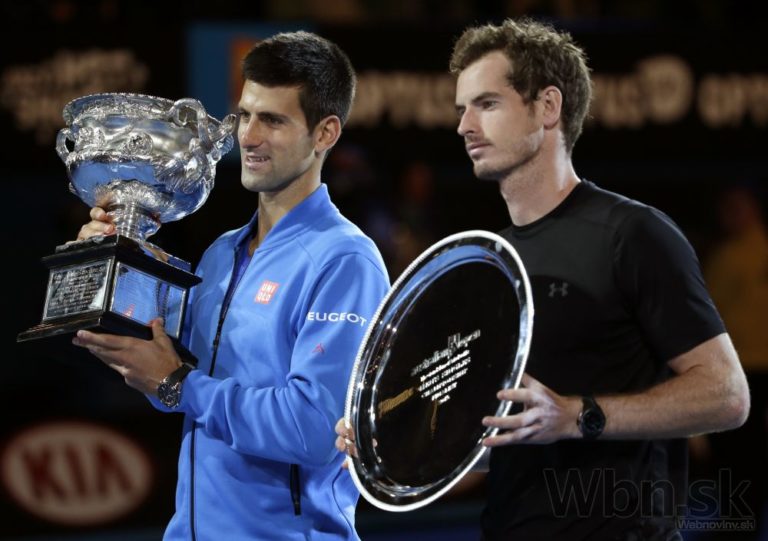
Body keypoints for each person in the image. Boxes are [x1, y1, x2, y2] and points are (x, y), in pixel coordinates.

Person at [337, 18, 749, 540]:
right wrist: (394, 444)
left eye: (487, 104)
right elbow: (490, 444)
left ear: (548, 107)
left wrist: (575, 415)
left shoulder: (632, 233)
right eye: (461, 109)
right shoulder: (486, 266)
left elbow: (727, 395)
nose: (464, 126)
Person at [73, 31, 390, 540]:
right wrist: (116, 263)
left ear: (325, 133)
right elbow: (170, 386)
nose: (248, 136)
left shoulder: (346, 261)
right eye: (244, 115)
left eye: (273, 120)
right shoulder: (221, 254)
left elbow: (313, 430)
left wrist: (181, 384)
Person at [703, 181, 768, 539]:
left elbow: (705, 317)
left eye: (738, 207)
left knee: (742, 456)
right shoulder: (727, 256)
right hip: (740, 370)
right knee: (739, 456)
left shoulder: (734, 256)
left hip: (747, 371)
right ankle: (740, 523)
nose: (731, 216)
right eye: (726, 209)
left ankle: (741, 524)